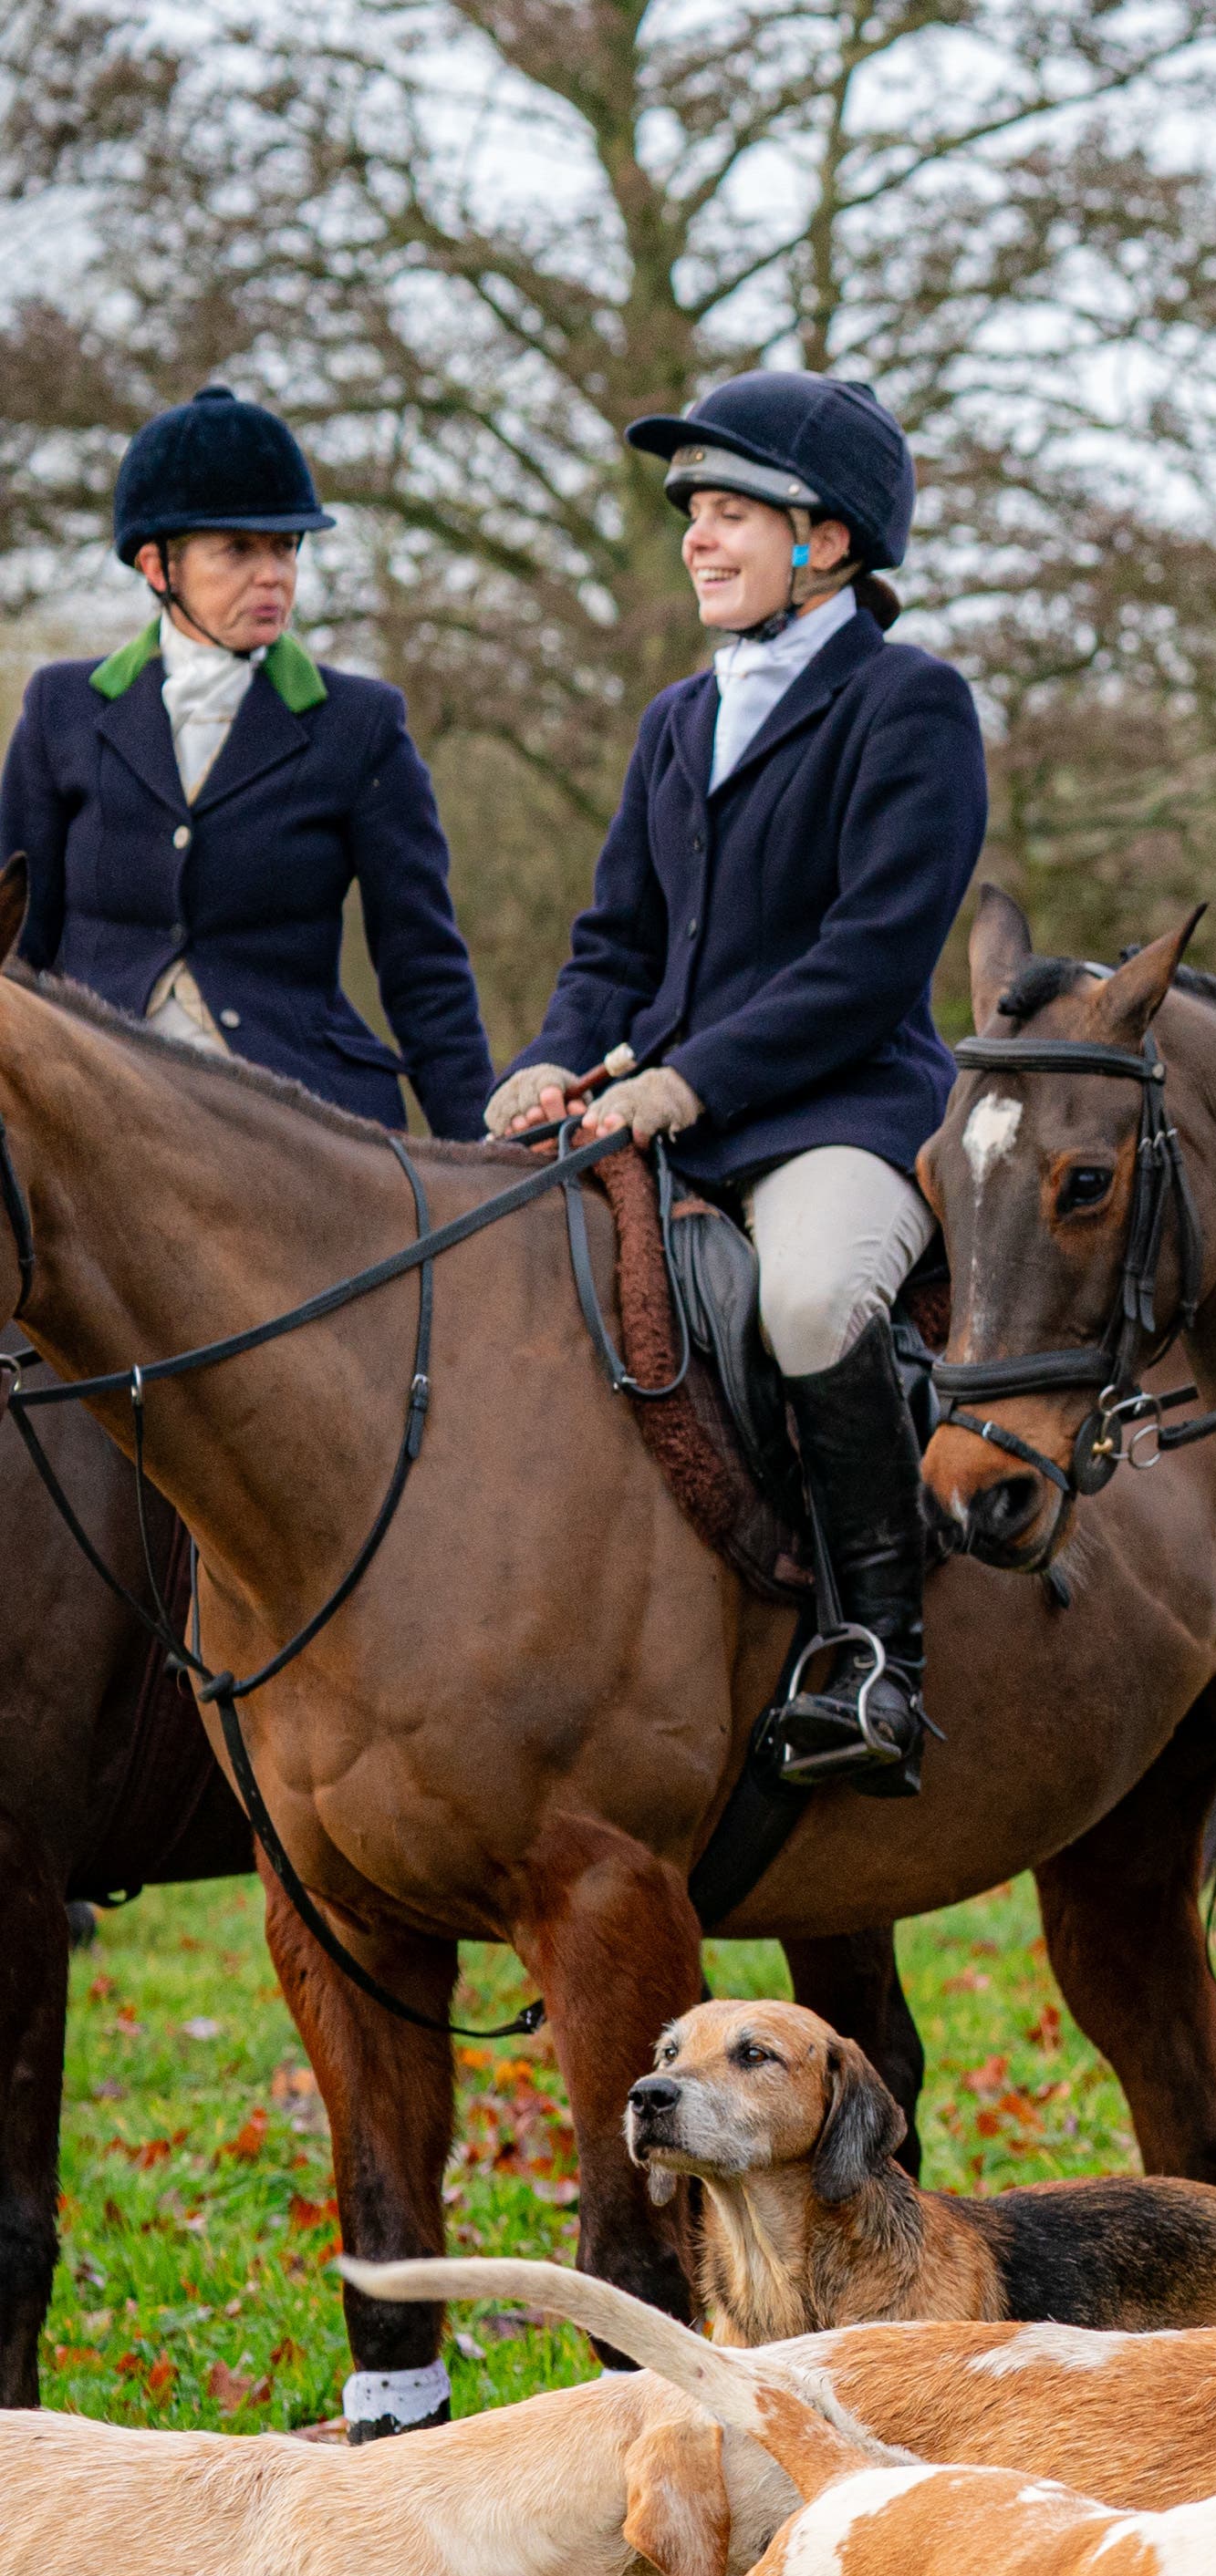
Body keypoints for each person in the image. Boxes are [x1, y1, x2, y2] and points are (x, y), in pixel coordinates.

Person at [484, 371, 987, 1795]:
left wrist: (690, 1081)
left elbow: (870, 958)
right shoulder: (671, 720)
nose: (698, 541)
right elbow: (613, 945)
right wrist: (546, 1058)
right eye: (693, 517)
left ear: (823, 542)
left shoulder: (912, 707)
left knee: (814, 1298)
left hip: (840, 1115)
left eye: (727, 515)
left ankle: (879, 1650)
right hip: (659, 1113)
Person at [0, 388, 493, 1133]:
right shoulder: (63, 709)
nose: (274, 577)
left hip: (291, 1114)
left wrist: (483, 1151)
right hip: (95, 1100)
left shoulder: (361, 725)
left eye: (285, 548)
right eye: (238, 550)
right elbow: (15, 945)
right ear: (156, 565)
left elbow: (422, 965)